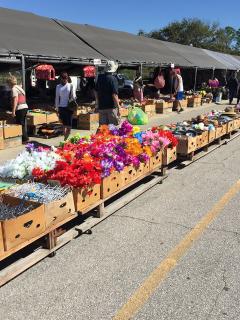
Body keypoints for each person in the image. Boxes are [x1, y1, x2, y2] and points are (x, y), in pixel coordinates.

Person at [95, 61, 121, 126]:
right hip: (111, 107)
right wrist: (118, 107)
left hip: (101, 107)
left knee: (102, 129)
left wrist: (97, 103)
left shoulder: (100, 78)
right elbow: (114, 94)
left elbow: (95, 91)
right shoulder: (113, 79)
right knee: (113, 128)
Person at [7, 76, 29, 143]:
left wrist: (13, 111)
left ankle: (25, 139)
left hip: (20, 108)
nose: (7, 85)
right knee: (22, 123)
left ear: (10, 83)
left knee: (19, 124)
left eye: (8, 83)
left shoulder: (14, 89)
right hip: (25, 107)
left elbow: (15, 100)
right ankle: (25, 138)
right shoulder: (19, 88)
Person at [55, 72, 76, 140]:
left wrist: (73, 98)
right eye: (63, 78)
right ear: (61, 78)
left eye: (66, 78)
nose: (65, 80)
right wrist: (57, 108)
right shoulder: (58, 86)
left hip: (69, 108)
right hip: (61, 107)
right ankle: (65, 140)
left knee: (69, 126)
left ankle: (65, 140)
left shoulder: (71, 85)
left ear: (68, 78)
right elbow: (57, 98)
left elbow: (74, 96)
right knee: (64, 125)